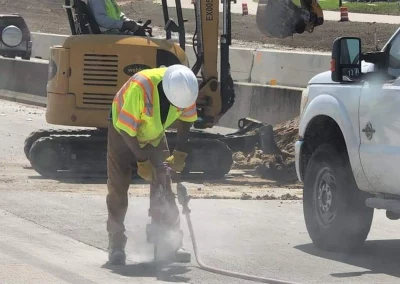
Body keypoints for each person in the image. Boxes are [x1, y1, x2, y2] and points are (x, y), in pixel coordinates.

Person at [106, 64, 199, 265]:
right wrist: (141, 159)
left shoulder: (187, 87)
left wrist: (179, 153)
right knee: (118, 186)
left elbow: (186, 120)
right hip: (122, 131)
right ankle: (116, 243)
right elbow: (126, 129)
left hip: (154, 133)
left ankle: (171, 240)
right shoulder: (142, 88)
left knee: (164, 183)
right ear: (167, 91)